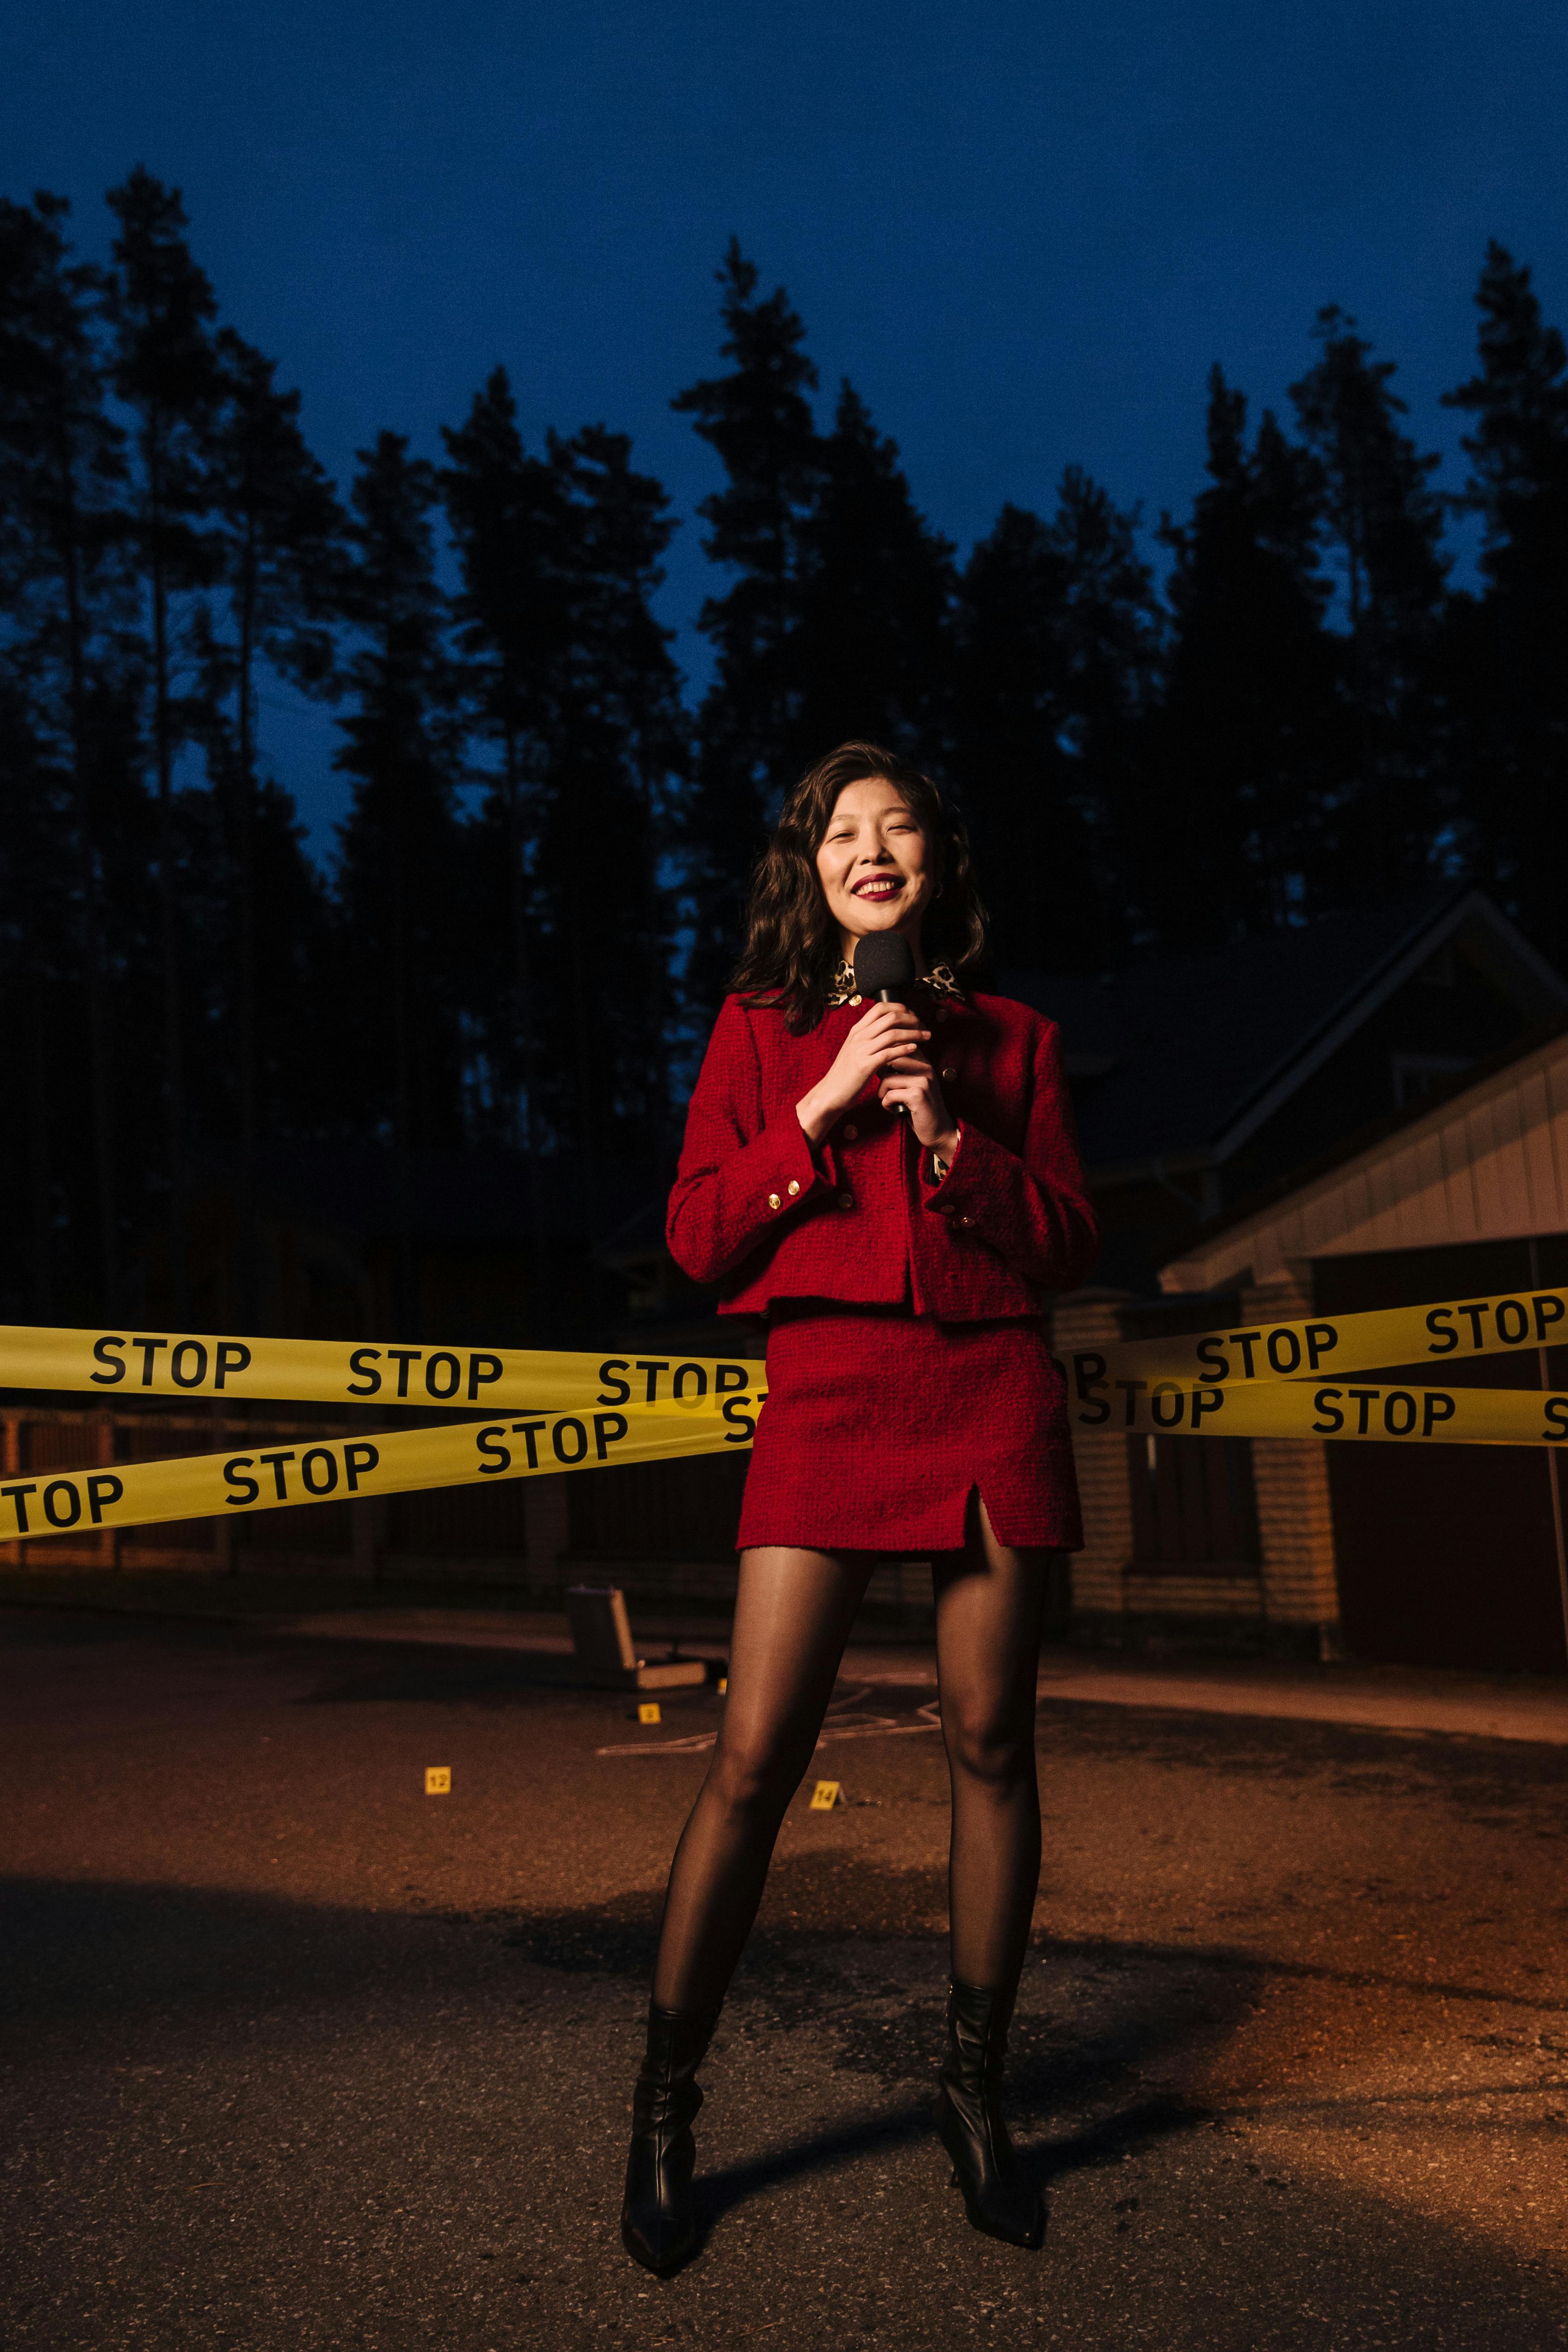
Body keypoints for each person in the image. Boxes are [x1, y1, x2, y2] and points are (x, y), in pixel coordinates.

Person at [620, 741, 1098, 2275]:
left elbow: (1070, 1241)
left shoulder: (1012, 1038)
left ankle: (973, 2094)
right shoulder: (759, 1032)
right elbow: (697, 1238)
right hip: (828, 1405)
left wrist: (950, 1136)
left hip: (987, 1404)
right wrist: (821, 1106)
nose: (872, 849)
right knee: (753, 1754)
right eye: (842, 831)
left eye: (899, 828)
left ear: (936, 866)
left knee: (989, 1744)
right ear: (808, 869)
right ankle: (664, 2108)